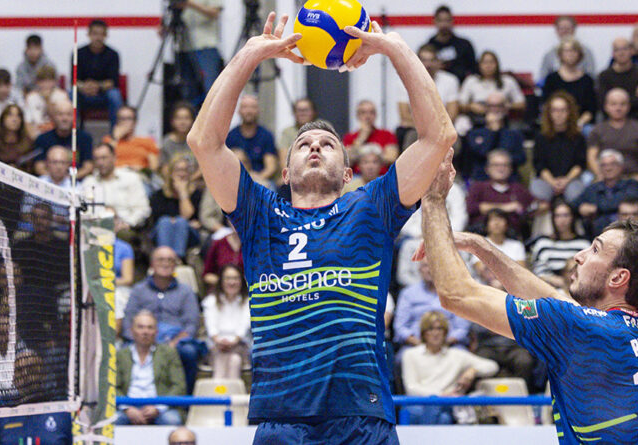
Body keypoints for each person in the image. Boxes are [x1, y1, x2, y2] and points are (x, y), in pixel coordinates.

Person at [186, 12, 456, 443]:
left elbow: (438, 136)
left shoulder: (371, 207)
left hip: (360, 415)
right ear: (287, 172)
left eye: (328, 144)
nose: (314, 145)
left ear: (348, 173)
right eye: (304, 144)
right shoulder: (258, 212)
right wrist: (250, 55)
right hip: (281, 417)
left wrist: (395, 49)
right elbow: (204, 142)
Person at [418, 151, 638, 444]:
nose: (579, 256)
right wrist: (480, 245)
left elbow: (456, 294)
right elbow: (555, 298)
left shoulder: (580, 327)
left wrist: (432, 200)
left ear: (618, 278)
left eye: (594, 249)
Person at [122, 247, 203, 395]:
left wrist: (173, 343)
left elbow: (191, 325)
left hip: (175, 341)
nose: (165, 264)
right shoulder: (138, 290)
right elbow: (128, 322)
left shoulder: (186, 292)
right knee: (122, 352)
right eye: (160, 259)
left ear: (175, 265)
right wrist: (142, 342)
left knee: (189, 352)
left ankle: (183, 403)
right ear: (152, 264)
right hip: (141, 339)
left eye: (170, 260)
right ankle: (128, 402)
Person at [401, 311, 498, 425]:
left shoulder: (457, 355)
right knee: (441, 416)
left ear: (445, 332)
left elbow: (492, 366)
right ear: (424, 333)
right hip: (421, 402)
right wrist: (440, 395)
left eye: (440, 329)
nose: (435, 333)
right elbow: (411, 388)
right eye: (431, 329)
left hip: (447, 404)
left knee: (444, 415)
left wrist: (472, 371)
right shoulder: (410, 354)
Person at [116, 309, 185, 425]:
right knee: (113, 420)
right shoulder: (120, 355)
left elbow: (179, 386)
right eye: (141, 327)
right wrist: (127, 408)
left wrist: (158, 407)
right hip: (128, 406)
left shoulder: (169, 353)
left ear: (156, 332)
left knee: (172, 420)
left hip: (160, 405)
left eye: (150, 327)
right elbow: (112, 387)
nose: (145, 332)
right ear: (132, 331)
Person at [393, 259, 471, 354]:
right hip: (415, 346)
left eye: (434, 266)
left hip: (450, 346)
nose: (430, 270)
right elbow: (400, 327)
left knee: (462, 355)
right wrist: (419, 344)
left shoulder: (455, 293)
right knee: (403, 357)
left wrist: (441, 344)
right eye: (425, 266)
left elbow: (462, 328)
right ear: (419, 269)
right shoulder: (408, 294)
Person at [587, 88, 638, 193]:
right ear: (606, 107)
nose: (618, 108)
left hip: (633, 175)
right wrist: (599, 174)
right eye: (613, 104)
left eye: (622, 104)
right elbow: (591, 157)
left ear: (628, 107)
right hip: (605, 176)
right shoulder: (597, 130)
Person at [397, 44, 459, 149]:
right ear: (416, 62)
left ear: (438, 62)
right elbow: (405, 115)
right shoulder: (405, 80)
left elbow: (452, 114)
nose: (428, 64)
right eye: (424, 60)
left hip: (443, 128)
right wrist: (427, 129)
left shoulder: (450, 80)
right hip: (416, 128)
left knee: (455, 143)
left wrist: (436, 129)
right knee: (409, 137)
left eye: (432, 60)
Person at [81, 142, 152, 234]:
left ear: (114, 158)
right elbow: (84, 212)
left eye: (104, 158)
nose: (100, 163)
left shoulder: (131, 178)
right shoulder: (89, 182)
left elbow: (143, 209)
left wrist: (127, 223)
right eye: (96, 159)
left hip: (125, 227)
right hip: (95, 228)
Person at [529, 92, 587, 202]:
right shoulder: (541, 137)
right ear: (549, 113)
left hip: (571, 179)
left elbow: (580, 164)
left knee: (575, 196)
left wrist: (566, 181)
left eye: (563, 110)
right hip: (546, 179)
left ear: (570, 112)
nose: (558, 114)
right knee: (539, 196)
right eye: (555, 110)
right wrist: (552, 182)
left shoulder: (579, 137)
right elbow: (539, 164)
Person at [459, 92, 526, 181]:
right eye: (491, 106)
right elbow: (480, 154)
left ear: (505, 109)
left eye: (499, 106)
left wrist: (502, 161)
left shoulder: (514, 133)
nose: (495, 109)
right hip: (482, 180)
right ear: (485, 108)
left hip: (509, 181)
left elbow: (521, 158)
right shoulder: (474, 133)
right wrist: (493, 132)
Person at [575, 149, 638, 237]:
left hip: (627, 233)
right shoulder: (593, 188)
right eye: (604, 165)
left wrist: (596, 209)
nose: (608, 168)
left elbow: (621, 202)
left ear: (621, 166)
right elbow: (574, 204)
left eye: (612, 164)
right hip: (595, 235)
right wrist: (581, 207)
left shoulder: (631, 185)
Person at [466, 149, 534, 235]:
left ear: (511, 169)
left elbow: (534, 206)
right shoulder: (478, 187)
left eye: (505, 165)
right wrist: (506, 207)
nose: (500, 169)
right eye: (496, 165)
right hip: (482, 236)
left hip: (512, 239)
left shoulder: (518, 189)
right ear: (487, 169)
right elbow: (471, 208)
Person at [598, 38, 638, 129]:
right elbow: (603, 103)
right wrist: (633, 97)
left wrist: (616, 102)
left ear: (631, 51)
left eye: (624, 49)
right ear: (613, 53)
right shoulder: (604, 76)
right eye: (617, 50)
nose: (621, 53)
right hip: (611, 123)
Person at [202, 264, 251, 379]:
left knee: (235, 360)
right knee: (225, 359)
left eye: (235, 278)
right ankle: (226, 396)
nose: (232, 282)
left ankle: (223, 395)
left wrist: (234, 341)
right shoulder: (211, 301)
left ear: (241, 281)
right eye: (228, 278)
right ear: (221, 281)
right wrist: (218, 341)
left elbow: (244, 325)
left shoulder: (249, 302)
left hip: (240, 345)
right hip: (216, 345)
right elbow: (211, 326)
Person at [529, 198, 590, 289]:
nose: (562, 220)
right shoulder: (543, 243)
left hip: (577, 289)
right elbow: (538, 272)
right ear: (553, 219)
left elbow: (588, 271)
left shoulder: (583, 244)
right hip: (548, 289)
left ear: (572, 217)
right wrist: (557, 281)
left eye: (566, 215)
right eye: (557, 216)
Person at [150, 156, 203, 259]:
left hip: (189, 235)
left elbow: (187, 216)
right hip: (162, 231)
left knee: (181, 222)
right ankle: (164, 258)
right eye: (178, 170)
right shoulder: (159, 195)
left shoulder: (196, 194)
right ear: (171, 173)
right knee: (165, 222)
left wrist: (183, 193)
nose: (182, 174)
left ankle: (176, 259)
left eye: (185, 170)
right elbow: (157, 220)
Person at [175, 0, 223, 106]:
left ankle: (211, 120)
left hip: (206, 45)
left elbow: (215, 12)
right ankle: (190, 120)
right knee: (187, 91)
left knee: (210, 89)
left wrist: (189, 3)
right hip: (184, 47)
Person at [541, 38, 596, 129]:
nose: (570, 54)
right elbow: (546, 105)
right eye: (567, 51)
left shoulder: (587, 80)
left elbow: (591, 109)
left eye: (574, 50)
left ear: (579, 55)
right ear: (560, 54)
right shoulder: (551, 79)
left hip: (581, 123)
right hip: (556, 123)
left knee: (589, 131)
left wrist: (579, 123)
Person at [459, 50, 526, 125]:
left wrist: (507, 106)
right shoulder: (471, 81)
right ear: (479, 65)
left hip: (502, 119)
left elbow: (521, 104)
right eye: (485, 63)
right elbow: (461, 104)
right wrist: (471, 107)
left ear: (497, 64)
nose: (488, 66)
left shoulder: (508, 81)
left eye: (491, 62)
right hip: (477, 119)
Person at [76, 19, 123, 126]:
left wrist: (97, 86)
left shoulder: (113, 54)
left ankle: (115, 136)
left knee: (115, 95)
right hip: (83, 94)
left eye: (102, 34)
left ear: (106, 35)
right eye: (95, 34)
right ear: (88, 34)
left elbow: (114, 82)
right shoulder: (78, 53)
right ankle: (75, 135)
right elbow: (74, 80)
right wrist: (84, 87)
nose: (98, 38)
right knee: (71, 95)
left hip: (104, 95)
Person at [33, 100, 94, 178]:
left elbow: (88, 167)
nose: (64, 118)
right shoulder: (42, 139)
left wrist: (69, 179)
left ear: (74, 117)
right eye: (60, 114)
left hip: (76, 183)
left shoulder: (85, 138)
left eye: (69, 114)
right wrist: (56, 179)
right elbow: (39, 167)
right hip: (49, 183)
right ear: (53, 117)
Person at [225, 94, 278, 184]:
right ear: (239, 111)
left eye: (253, 107)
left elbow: (271, 168)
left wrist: (254, 180)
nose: (249, 111)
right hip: (234, 178)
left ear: (258, 110)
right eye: (245, 107)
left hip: (259, 179)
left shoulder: (266, 135)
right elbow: (225, 164)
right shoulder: (231, 136)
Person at [343, 100, 398, 171]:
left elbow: (391, 158)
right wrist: (361, 138)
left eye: (371, 112)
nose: (367, 116)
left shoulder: (387, 134)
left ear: (376, 115)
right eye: (363, 112)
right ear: (358, 116)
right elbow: (347, 162)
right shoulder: (349, 137)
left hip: (381, 176)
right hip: (357, 178)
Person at [426, 5, 477, 82]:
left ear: (452, 21)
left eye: (447, 20)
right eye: (440, 20)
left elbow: (473, 70)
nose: (444, 24)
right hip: (436, 86)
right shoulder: (429, 47)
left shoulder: (464, 45)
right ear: (435, 21)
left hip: (461, 87)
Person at [539, 15, 595, 82]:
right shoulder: (549, 54)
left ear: (574, 29)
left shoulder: (585, 52)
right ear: (556, 30)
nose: (565, 31)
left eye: (568, 28)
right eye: (562, 28)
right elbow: (543, 78)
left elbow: (591, 75)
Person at [103, 105, 159, 171]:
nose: (124, 122)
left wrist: (142, 170)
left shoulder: (147, 141)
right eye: (121, 118)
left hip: (139, 176)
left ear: (135, 122)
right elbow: (104, 162)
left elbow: (154, 167)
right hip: (116, 175)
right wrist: (116, 138)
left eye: (128, 118)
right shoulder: (108, 140)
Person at [0, 104, 34, 171]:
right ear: (3, 119)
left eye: (18, 116)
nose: (14, 119)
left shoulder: (28, 143)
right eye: (10, 115)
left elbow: (29, 169)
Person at [24, 64, 70, 137]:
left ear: (55, 82)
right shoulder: (31, 97)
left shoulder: (62, 96)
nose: (46, 85)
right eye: (43, 81)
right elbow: (28, 122)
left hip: (57, 133)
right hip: (37, 133)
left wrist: (48, 100)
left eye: (49, 81)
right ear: (37, 82)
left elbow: (63, 120)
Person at [160, 102, 198, 174]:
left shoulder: (198, 141)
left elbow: (203, 168)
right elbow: (164, 169)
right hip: (174, 182)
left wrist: (191, 182)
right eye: (179, 118)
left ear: (193, 121)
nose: (182, 122)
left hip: (195, 182)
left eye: (187, 118)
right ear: (172, 121)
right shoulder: (166, 143)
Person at [202, 224, 243, 288]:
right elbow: (207, 275)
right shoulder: (218, 244)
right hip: (220, 290)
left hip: (248, 292)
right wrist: (224, 282)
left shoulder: (254, 245)